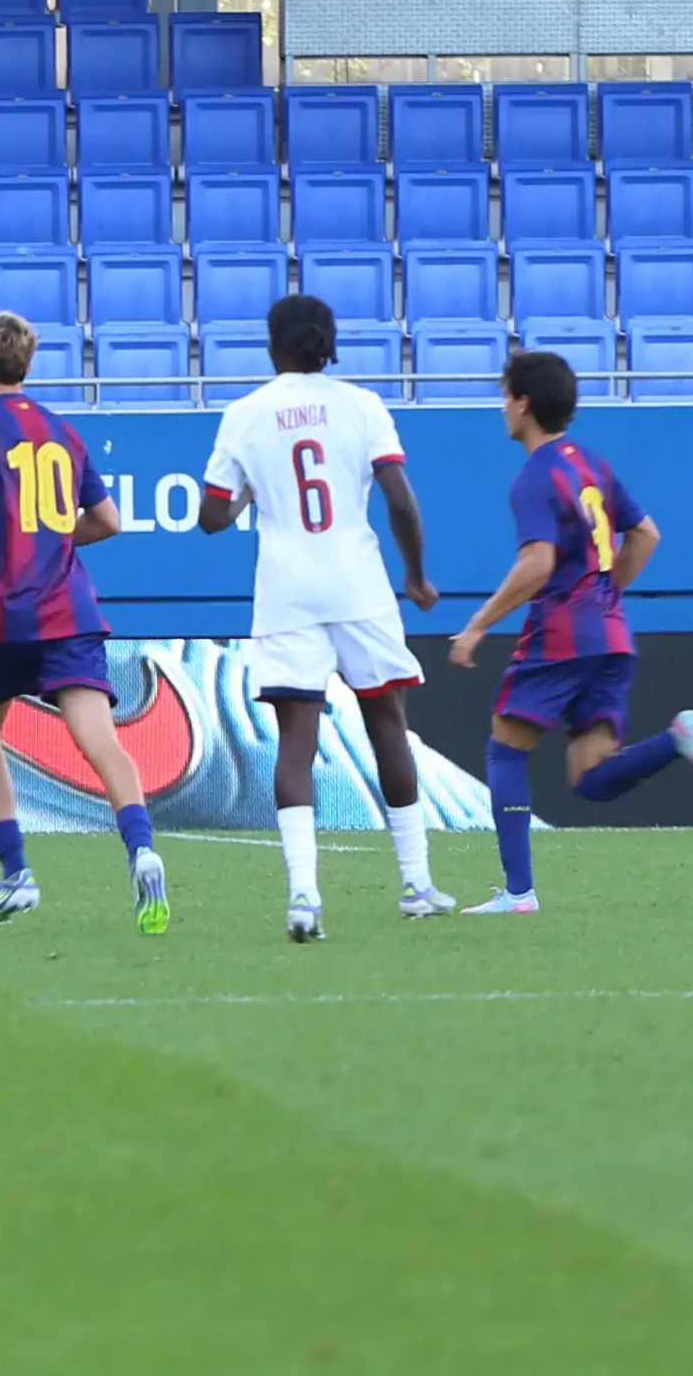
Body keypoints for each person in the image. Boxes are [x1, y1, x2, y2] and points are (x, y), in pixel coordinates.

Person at [198, 295, 461, 942]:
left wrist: (250, 495)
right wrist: (417, 574)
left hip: (287, 590)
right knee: (387, 724)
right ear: (329, 343)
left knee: (296, 739)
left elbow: (211, 517)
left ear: (273, 345)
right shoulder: (362, 405)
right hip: (357, 584)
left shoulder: (246, 414)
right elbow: (399, 498)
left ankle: (304, 897)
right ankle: (416, 884)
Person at [446, 351, 693, 914]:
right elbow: (647, 535)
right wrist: (603, 597)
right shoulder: (593, 465)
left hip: (558, 634)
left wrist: (476, 627)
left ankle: (518, 895)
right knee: (591, 777)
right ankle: (678, 738)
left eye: (506, 395)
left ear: (524, 403)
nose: (502, 406)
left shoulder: (534, 476)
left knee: (505, 751)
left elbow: (536, 564)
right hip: (611, 636)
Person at [0, 311, 168, 932]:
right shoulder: (64, 432)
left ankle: (17, 873)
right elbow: (108, 521)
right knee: (100, 739)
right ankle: (142, 850)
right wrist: (55, 537)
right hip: (70, 609)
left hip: (5, 608)